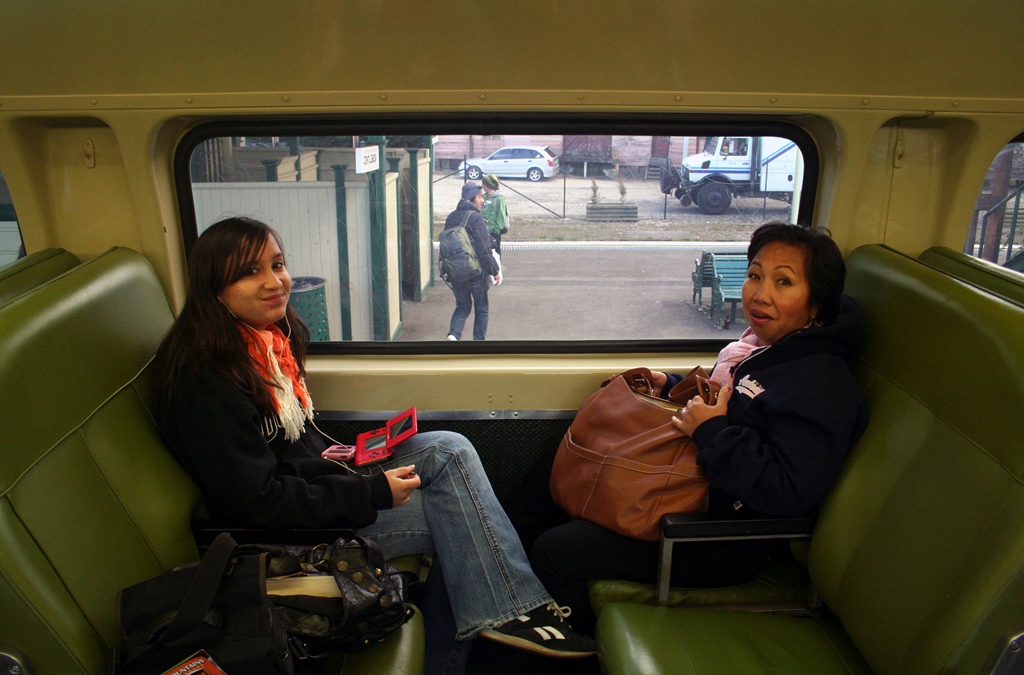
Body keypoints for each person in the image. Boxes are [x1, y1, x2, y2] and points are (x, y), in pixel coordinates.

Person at [152, 217, 594, 674]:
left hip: (313, 491)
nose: (274, 282)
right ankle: (507, 623)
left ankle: (494, 625)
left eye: (278, 265)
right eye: (250, 272)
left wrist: (356, 458)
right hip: (280, 537)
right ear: (214, 288)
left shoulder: (262, 346)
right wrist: (370, 492)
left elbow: (294, 450)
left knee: (448, 446)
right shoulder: (206, 380)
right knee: (460, 518)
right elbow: (256, 502)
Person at [531, 222, 869, 635]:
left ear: (816, 304)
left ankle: (570, 648)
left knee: (556, 551)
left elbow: (788, 489)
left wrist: (712, 432)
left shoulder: (821, 383)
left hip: (720, 538)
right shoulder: (764, 348)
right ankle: (509, 605)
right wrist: (672, 384)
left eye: (784, 282)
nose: (760, 294)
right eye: (755, 275)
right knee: (551, 483)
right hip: (695, 492)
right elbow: (731, 397)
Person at [444, 182, 501, 340]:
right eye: (479, 196)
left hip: (456, 272)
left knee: (462, 306)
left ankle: (453, 335)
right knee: (481, 308)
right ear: (472, 198)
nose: (482, 200)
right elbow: (484, 249)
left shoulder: (451, 217)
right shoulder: (475, 218)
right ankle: (478, 343)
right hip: (476, 273)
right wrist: (494, 270)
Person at [480, 174, 510, 281]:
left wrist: (497, 230)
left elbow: (501, 215)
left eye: (483, 183)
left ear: (487, 185)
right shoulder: (483, 197)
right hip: (483, 230)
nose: (482, 185)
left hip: (494, 232)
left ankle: (497, 272)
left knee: (495, 252)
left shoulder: (499, 198)